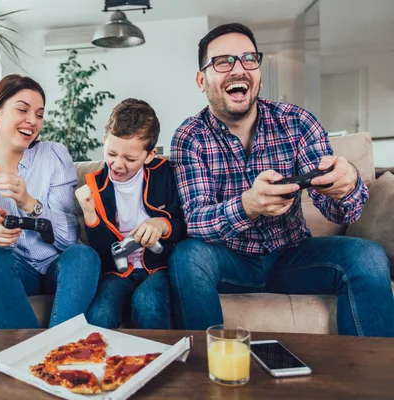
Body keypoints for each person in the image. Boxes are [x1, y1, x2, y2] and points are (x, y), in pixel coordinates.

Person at [169, 23, 394, 337]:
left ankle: (374, 377)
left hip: (292, 255)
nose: (239, 69)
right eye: (223, 62)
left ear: (258, 71)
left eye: (249, 58)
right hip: (228, 261)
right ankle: (206, 373)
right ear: (201, 79)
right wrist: (248, 205)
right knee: (187, 256)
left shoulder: (297, 122)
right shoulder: (188, 137)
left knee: (367, 256)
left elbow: (344, 213)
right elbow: (196, 222)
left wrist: (347, 185)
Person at [0, 74, 101, 329]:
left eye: (39, 114)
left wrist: (29, 203)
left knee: (83, 255)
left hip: (58, 265)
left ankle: (58, 345)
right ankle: (33, 352)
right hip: (17, 268)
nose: (32, 120)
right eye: (22, 109)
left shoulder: (54, 154)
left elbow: (67, 238)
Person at [76, 98, 185, 329]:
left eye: (130, 159)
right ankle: (101, 364)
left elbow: (184, 226)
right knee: (100, 313)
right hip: (116, 271)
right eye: (112, 153)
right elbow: (102, 250)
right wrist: (89, 214)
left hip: (158, 267)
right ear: (105, 141)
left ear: (149, 155)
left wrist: (162, 225)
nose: (117, 164)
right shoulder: (96, 184)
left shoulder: (165, 174)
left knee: (148, 303)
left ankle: (160, 363)